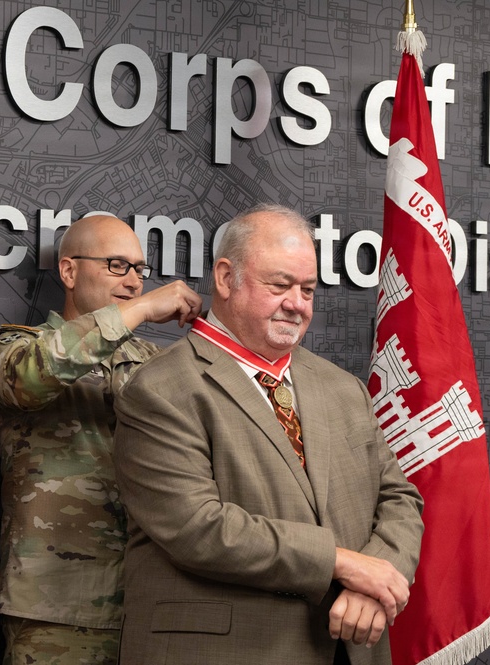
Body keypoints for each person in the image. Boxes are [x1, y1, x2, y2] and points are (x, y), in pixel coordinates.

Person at [112, 203, 425, 665]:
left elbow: (400, 498)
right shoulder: (160, 389)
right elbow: (198, 528)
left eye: (308, 289)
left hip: (351, 648)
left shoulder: (343, 388)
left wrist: (378, 578)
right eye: (279, 285)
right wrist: (344, 564)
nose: (297, 304)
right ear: (225, 277)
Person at [0, 214, 203, 665]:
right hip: (57, 606)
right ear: (69, 271)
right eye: (117, 266)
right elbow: (32, 376)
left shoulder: (156, 362)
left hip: (152, 603)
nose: (134, 282)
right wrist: (141, 311)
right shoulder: (15, 347)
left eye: (140, 271)